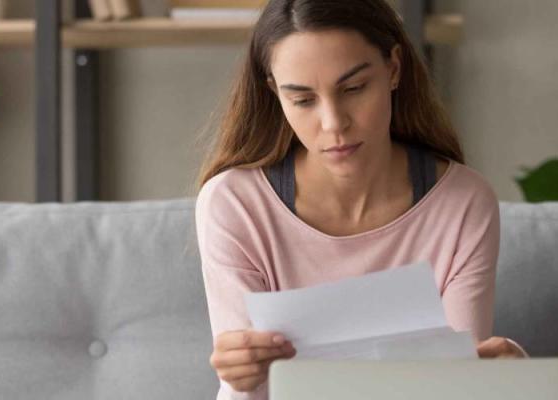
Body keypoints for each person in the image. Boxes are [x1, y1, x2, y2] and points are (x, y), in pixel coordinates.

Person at [194, 0, 527, 398]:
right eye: (302, 100)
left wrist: (513, 377)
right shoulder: (234, 205)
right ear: (275, 94)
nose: (333, 123)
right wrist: (239, 375)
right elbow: (252, 390)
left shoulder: (462, 204)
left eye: (353, 88)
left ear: (394, 68)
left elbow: (454, 387)